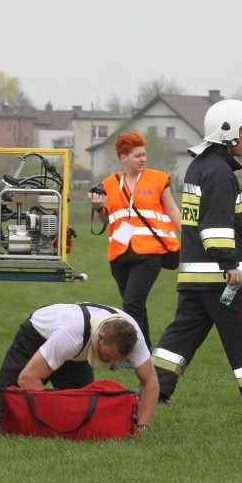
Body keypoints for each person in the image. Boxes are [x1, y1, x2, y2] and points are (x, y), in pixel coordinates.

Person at [152, 99, 242, 406]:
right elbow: (215, 228)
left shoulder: (200, 166)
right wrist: (231, 265)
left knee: (180, 339)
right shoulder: (219, 173)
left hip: (196, 276)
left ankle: (153, 390)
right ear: (226, 132)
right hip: (223, 278)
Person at [0, 302, 159, 432]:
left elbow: (150, 381)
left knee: (82, 418)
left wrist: (143, 426)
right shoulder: (71, 335)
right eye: (110, 356)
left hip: (76, 353)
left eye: (118, 360)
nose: (111, 363)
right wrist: (52, 417)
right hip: (36, 336)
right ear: (101, 337)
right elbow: (27, 378)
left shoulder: (132, 336)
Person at [88, 132, 181, 349]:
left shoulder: (158, 179)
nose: (142, 159)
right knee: (133, 306)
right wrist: (98, 207)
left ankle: (136, 352)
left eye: (144, 155)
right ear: (123, 158)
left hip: (150, 252)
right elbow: (107, 219)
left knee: (132, 302)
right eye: (137, 155)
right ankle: (143, 351)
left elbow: (173, 209)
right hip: (119, 253)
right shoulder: (109, 184)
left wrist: (191, 236)